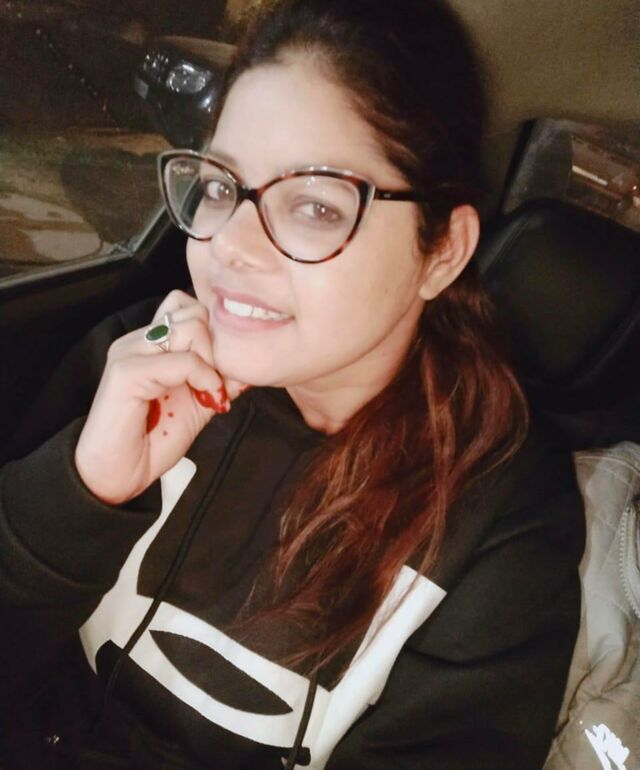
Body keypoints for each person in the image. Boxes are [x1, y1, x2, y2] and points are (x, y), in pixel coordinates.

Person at [0, 0, 585, 768]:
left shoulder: (503, 514)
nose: (229, 245)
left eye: (314, 205)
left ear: (441, 251)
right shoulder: (139, 359)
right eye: (221, 187)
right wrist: (84, 492)